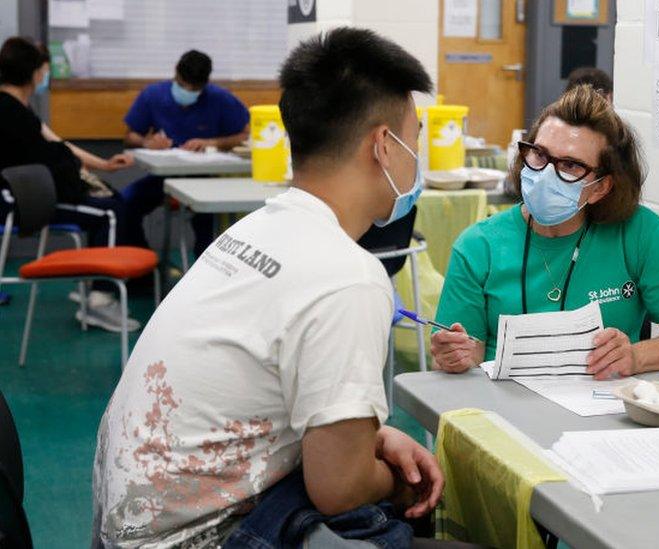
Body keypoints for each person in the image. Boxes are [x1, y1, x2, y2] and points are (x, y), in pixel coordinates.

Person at [92, 28, 458, 548]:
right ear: (383, 145)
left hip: (129, 524)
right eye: (414, 136)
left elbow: (254, 386)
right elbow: (342, 488)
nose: (416, 154)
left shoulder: (253, 229)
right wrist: (399, 482)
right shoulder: (348, 276)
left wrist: (371, 438)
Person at [432, 85, 659, 378]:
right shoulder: (478, 246)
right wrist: (455, 356)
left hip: (605, 412)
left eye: (570, 165)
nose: (546, 174)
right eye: (539, 155)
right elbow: (467, 354)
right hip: (505, 411)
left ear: (600, 187)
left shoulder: (637, 232)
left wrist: (635, 356)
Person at [0, 37, 138, 332]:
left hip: (25, 196)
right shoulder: (12, 114)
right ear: (36, 73)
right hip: (20, 202)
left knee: (108, 204)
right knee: (110, 212)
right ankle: (101, 300)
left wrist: (103, 165)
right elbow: (52, 155)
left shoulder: (14, 108)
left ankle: (93, 283)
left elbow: (56, 143)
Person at [120, 49, 250, 258]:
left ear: (205, 84)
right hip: (163, 179)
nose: (187, 92)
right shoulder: (153, 95)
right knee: (125, 204)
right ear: (175, 75)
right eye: (181, 85)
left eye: (194, 89)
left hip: (207, 179)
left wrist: (212, 142)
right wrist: (147, 142)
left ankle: (205, 271)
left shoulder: (221, 99)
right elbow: (130, 136)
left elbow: (245, 135)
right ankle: (143, 270)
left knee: (207, 219)